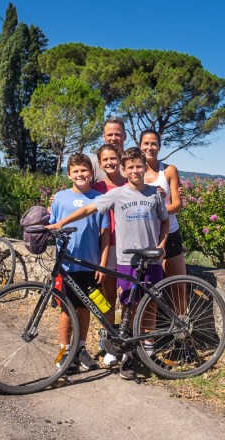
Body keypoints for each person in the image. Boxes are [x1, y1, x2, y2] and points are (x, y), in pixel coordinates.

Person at [48, 147, 169, 380]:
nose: (135, 170)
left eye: (139, 166)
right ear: (124, 171)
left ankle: (147, 353)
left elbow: (165, 221)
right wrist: (59, 223)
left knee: (149, 305)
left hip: (151, 258)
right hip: (126, 259)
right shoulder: (116, 194)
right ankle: (128, 355)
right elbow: (87, 209)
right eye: (130, 167)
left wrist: (162, 245)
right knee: (127, 306)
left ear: (145, 167)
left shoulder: (154, 193)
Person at [50, 153, 110, 373]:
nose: (80, 174)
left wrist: (102, 264)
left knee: (85, 308)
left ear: (91, 173)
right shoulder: (59, 198)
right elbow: (53, 225)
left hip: (90, 264)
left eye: (84, 170)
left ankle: (81, 348)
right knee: (66, 309)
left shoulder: (99, 198)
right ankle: (65, 350)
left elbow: (105, 235)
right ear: (69, 175)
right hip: (65, 266)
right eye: (75, 171)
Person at [91, 143, 127, 366]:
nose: (110, 163)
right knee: (109, 297)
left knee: (127, 298)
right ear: (100, 163)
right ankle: (110, 342)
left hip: (127, 247)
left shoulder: (129, 182)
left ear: (120, 158)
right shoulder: (96, 186)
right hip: (105, 247)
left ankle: (127, 342)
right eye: (105, 160)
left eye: (113, 158)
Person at [139, 129, 187, 279]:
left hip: (170, 233)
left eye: (153, 144)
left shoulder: (169, 170)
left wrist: (155, 211)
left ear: (159, 147)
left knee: (178, 287)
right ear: (140, 146)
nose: (149, 147)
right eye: (146, 143)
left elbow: (177, 205)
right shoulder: (134, 172)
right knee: (148, 288)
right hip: (145, 235)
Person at [90, 116, 126, 182]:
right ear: (104, 137)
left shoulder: (132, 161)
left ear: (125, 136)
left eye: (117, 134)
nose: (113, 138)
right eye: (110, 135)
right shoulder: (93, 163)